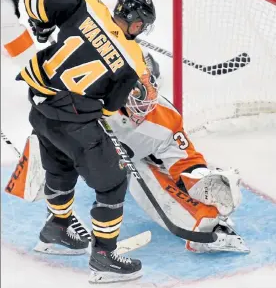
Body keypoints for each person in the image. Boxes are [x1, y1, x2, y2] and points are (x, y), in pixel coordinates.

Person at [7, 50, 249, 255]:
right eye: (134, 95)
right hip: (83, 146)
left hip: (129, 158)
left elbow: (185, 159)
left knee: (145, 173)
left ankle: (206, 228)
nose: (142, 107)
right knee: (47, 146)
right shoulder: (91, 95)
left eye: (147, 93)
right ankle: (56, 217)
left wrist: (201, 178)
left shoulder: (165, 118)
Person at [13, 0, 157, 283]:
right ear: (134, 21)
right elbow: (109, 107)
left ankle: (57, 228)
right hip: (73, 121)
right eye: (141, 24)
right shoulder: (134, 59)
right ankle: (104, 257)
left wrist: (41, 27)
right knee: (114, 179)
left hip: (40, 110)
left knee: (61, 164)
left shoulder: (87, 4)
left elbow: (34, 3)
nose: (141, 30)